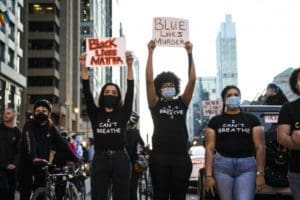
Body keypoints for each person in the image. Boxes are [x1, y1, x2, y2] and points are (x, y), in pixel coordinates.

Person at [80, 51, 134, 200]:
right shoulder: (95, 112)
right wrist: (83, 67)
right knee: (98, 195)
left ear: (118, 97)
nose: (110, 93)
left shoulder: (123, 113)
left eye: (114, 92)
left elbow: (130, 92)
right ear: (103, 94)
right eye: (107, 91)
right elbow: (86, 90)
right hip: (100, 159)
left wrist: (129, 65)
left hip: (120, 159)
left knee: (122, 196)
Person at [146, 40, 196, 199]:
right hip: (159, 157)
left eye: (171, 84)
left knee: (179, 196)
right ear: (159, 89)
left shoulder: (182, 102)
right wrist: (150, 53)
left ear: (176, 86)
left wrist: (189, 53)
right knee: (159, 196)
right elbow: (148, 81)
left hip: (181, 157)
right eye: (164, 86)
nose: (168, 87)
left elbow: (193, 80)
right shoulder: (155, 103)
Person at [204, 85, 266, 200]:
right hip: (222, 166)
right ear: (224, 100)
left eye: (236, 95)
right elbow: (209, 148)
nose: (233, 97)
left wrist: (260, 174)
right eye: (229, 95)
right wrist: (208, 175)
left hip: (247, 166)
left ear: (240, 97)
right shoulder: (215, 121)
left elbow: (260, 147)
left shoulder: (252, 119)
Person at [18, 99, 78, 200]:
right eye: (38, 111)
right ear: (34, 113)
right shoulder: (29, 125)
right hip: (26, 163)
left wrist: (75, 158)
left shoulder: (50, 128)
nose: (41, 113)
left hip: (42, 164)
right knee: (25, 194)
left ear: (49, 114)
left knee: (41, 195)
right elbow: (30, 141)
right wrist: (33, 157)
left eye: (44, 111)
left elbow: (62, 144)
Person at [277, 68, 300, 200]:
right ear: (296, 84)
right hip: (297, 171)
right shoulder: (288, 108)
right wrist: (295, 140)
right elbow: (282, 137)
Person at [0, 108, 21, 200]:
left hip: (13, 168)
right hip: (1, 166)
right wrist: (5, 164)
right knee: (3, 189)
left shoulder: (18, 132)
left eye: (8, 113)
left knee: (11, 193)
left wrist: (14, 164)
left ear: (14, 115)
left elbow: (19, 150)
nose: (5, 115)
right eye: (4, 113)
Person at [125, 112, 145, 200]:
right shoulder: (135, 132)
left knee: (125, 190)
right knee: (133, 189)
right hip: (134, 165)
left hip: (125, 164)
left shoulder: (125, 132)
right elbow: (142, 145)